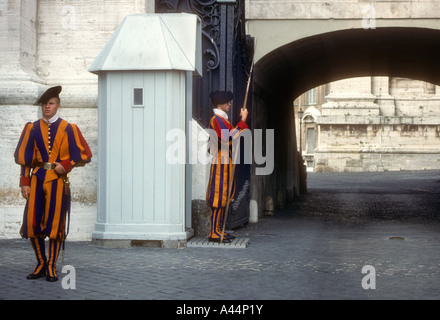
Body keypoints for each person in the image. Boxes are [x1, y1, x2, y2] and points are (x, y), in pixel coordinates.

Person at [14, 86, 92, 282]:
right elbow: (26, 158)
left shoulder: (69, 128)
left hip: (58, 179)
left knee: (55, 224)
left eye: (50, 103)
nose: (47, 107)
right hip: (37, 177)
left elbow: (84, 153)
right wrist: (24, 181)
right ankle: (40, 262)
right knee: (33, 223)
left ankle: (51, 267)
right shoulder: (32, 127)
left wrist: (65, 165)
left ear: (58, 105)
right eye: (44, 104)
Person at [205, 90, 248, 243]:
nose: (230, 104)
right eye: (227, 102)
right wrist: (242, 122)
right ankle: (214, 232)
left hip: (225, 162)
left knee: (225, 195)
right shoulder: (217, 120)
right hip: (221, 163)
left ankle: (218, 230)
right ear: (220, 104)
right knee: (218, 196)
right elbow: (228, 139)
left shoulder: (222, 120)